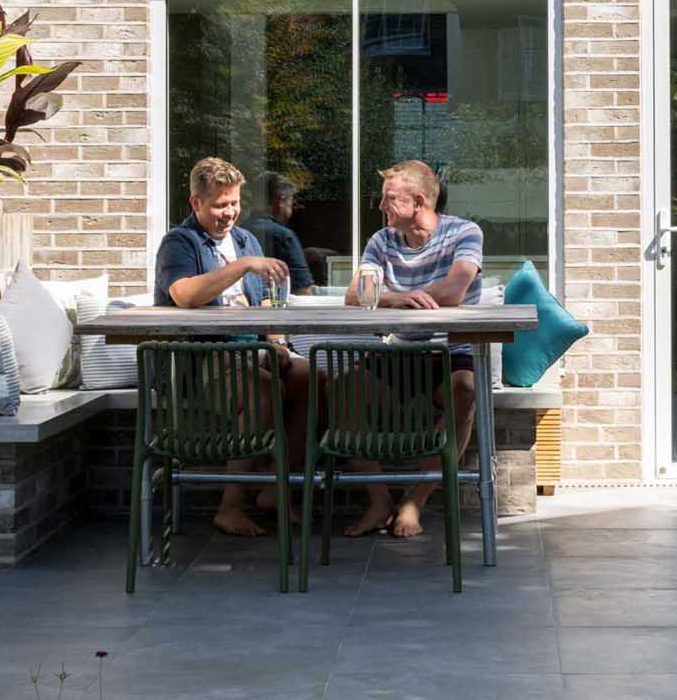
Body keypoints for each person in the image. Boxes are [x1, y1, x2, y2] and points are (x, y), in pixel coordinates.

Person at [153, 155, 309, 538]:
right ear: (196, 203)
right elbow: (184, 295)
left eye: (234, 203)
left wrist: (279, 341)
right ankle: (230, 506)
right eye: (220, 205)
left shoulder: (245, 240)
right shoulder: (180, 242)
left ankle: (277, 487)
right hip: (206, 355)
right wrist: (240, 267)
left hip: (255, 350)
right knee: (260, 393)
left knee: (313, 379)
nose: (230, 213)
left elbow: (264, 304)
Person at [342, 159, 482, 540]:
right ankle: (379, 502)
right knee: (341, 391)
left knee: (466, 389)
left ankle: (415, 501)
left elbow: (455, 290)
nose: (381, 207)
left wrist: (389, 296)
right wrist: (398, 299)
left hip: (451, 351)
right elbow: (355, 295)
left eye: (389, 200)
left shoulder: (464, 233)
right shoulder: (382, 241)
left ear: (418, 201)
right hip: (400, 352)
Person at [245, 173, 316, 295]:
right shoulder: (284, 237)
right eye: (291, 202)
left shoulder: (239, 232)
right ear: (280, 201)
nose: (292, 208)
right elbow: (304, 291)